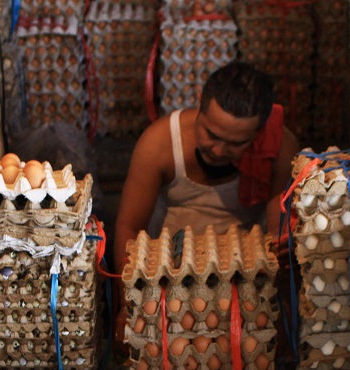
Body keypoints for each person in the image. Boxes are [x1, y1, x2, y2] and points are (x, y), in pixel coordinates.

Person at [112, 61, 299, 274]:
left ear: (259, 132)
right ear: (200, 104)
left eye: (236, 143)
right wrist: (127, 297)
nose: (218, 151)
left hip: (242, 271)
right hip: (169, 270)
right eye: (212, 135)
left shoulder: (279, 147)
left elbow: (279, 237)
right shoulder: (160, 143)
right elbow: (129, 228)